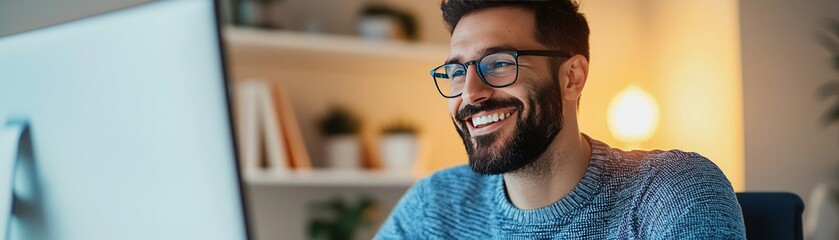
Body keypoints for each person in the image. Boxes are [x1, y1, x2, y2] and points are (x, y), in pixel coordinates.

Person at [375, 0, 745, 239]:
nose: (470, 93)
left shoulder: (671, 192)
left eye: (500, 63)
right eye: (457, 72)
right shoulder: (435, 206)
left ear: (572, 77)